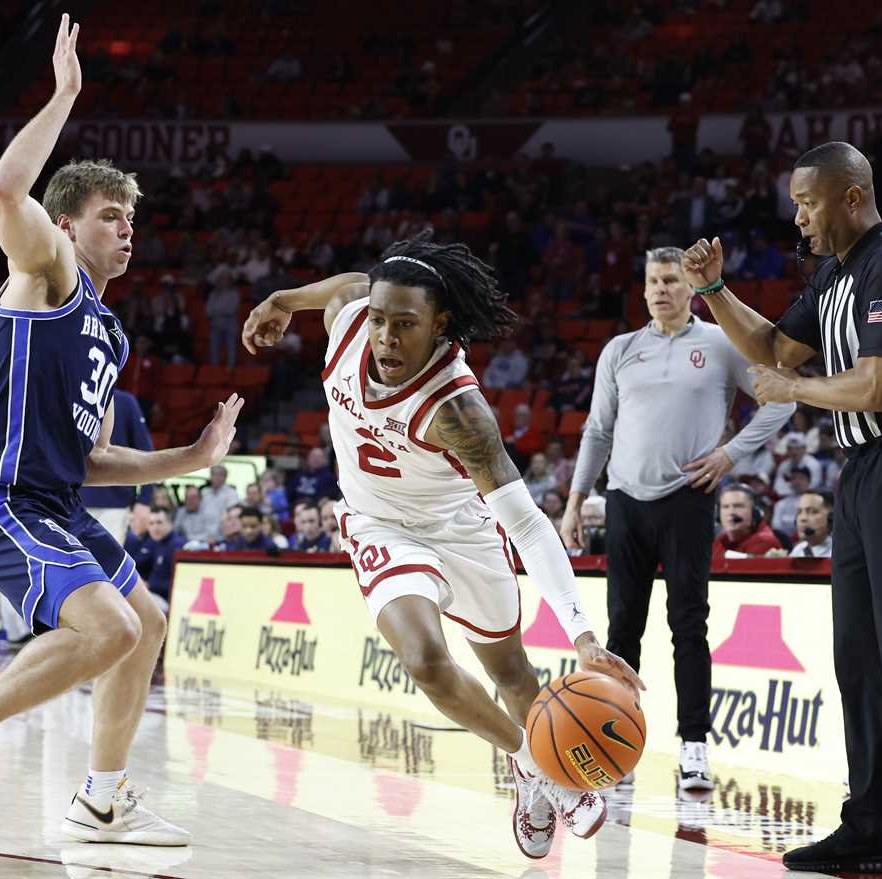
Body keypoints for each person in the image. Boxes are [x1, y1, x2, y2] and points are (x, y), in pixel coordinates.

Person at [0, 16, 242, 848]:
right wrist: (65, 95)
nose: (127, 228)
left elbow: (91, 457)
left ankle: (101, 799)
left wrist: (188, 460)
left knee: (146, 620)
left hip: (53, 496)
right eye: (110, 215)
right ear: (69, 225)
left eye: (131, 218)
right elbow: (6, 195)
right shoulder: (46, 274)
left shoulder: (109, 331)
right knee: (110, 628)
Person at [242, 229, 644, 858]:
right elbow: (345, 285)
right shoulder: (351, 319)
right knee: (426, 661)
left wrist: (584, 637)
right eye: (379, 319)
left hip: (461, 531)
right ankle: (537, 762)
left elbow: (529, 525)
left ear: (440, 326)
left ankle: (536, 763)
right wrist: (280, 300)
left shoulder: (459, 411)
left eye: (405, 324)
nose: (385, 337)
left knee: (512, 674)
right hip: (378, 524)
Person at [685, 140, 882, 877]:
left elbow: (874, 387)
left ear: (851, 196)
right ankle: (869, 824)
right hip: (863, 471)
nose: (798, 218)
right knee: (860, 659)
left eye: (807, 201)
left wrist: (790, 392)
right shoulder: (833, 273)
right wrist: (713, 291)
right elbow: (772, 347)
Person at [560, 246, 793, 790]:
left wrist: (731, 454)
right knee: (622, 631)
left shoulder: (718, 343)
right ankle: (615, 744)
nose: (661, 289)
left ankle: (693, 748)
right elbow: (597, 431)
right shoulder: (620, 350)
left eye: (670, 280)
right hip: (623, 500)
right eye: (652, 282)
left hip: (688, 500)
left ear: (690, 288)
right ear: (642, 290)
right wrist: (574, 501)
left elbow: (781, 402)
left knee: (689, 626)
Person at [79, 388, 153, 541]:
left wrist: (144, 502)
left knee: (106, 562)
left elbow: (146, 453)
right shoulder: (67, 393)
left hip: (114, 506)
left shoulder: (125, 402)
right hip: (68, 501)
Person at [123, 505, 183, 612]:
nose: (155, 527)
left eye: (159, 522)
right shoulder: (155, 542)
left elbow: (179, 585)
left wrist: (149, 584)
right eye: (151, 523)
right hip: (152, 593)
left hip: (168, 600)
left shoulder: (177, 547)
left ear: (170, 523)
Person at [711, 486, 784, 559]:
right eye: (725, 507)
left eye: (738, 506)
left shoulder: (764, 542)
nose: (731, 512)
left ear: (754, 512)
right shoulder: (720, 542)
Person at [789, 490, 834, 558]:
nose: (803, 518)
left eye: (812, 512)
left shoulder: (838, 552)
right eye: (799, 512)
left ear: (831, 519)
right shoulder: (798, 550)